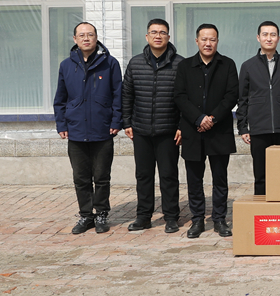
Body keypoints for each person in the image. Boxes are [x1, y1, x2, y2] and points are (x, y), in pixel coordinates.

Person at [53, 22, 122, 234]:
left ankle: (101, 214)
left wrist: (116, 121)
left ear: (96, 38)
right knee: (81, 177)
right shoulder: (66, 65)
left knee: (101, 176)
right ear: (75, 39)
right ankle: (86, 215)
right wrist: (61, 124)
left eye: (90, 35)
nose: (86, 38)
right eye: (81, 35)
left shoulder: (110, 63)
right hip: (76, 130)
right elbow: (60, 99)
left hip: (102, 129)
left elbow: (118, 95)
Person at [174, 24, 238, 238]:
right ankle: (197, 219)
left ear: (217, 41)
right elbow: (179, 96)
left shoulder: (227, 64)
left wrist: (212, 118)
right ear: (197, 41)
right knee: (194, 179)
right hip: (193, 131)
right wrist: (199, 118)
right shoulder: (185, 66)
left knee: (220, 178)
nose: (208, 43)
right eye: (204, 39)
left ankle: (219, 219)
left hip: (219, 131)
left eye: (212, 39)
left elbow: (232, 95)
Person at [122, 18, 184, 234]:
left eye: (162, 32)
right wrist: (126, 121)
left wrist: (182, 126)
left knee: (169, 175)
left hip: (169, 131)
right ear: (147, 36)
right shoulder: (135, 63)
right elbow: (127, 94)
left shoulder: (180, 64)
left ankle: (171, 217)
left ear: (168, 37)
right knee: (143, 175)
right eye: (154, 32)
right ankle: (143, 216)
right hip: (141, 130)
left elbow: (185, 99)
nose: (158, 36)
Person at [237, 21, 280, 195]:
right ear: (258, 38)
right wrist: (243, 127)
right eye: (265, 34)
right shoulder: (248, 66)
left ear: (278, 38)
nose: (269, 38)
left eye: (273, 34)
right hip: (259, 129)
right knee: (261, 174)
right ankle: (261, 206)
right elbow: (242, 99)